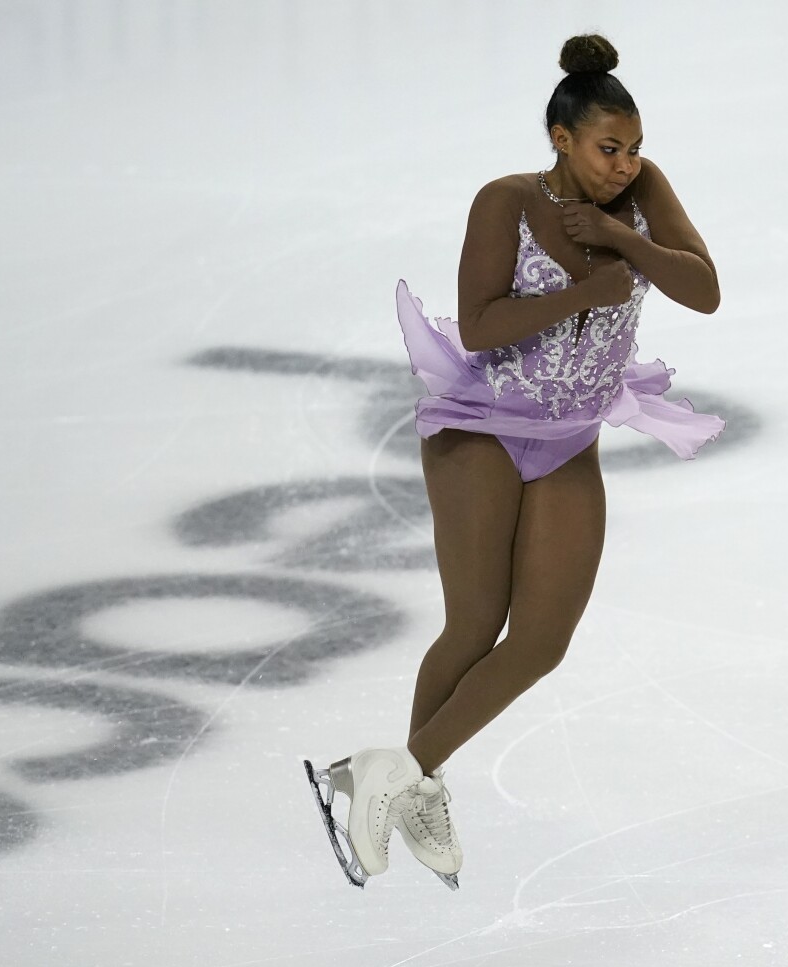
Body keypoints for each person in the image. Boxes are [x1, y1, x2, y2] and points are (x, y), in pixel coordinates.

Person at [303, 33, 724, 890]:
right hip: (482, 428)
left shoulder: (640, 196)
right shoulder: (503, 201)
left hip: (571, 437)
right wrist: (583, 290)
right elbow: (482, 323)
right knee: (475, 623)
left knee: (538, 642)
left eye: (635, 148)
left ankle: (391, 772)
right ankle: (411, 784)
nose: (625, 163)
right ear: (562, 139)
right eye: (610, 148)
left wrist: (621, 238)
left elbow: (705, 288)